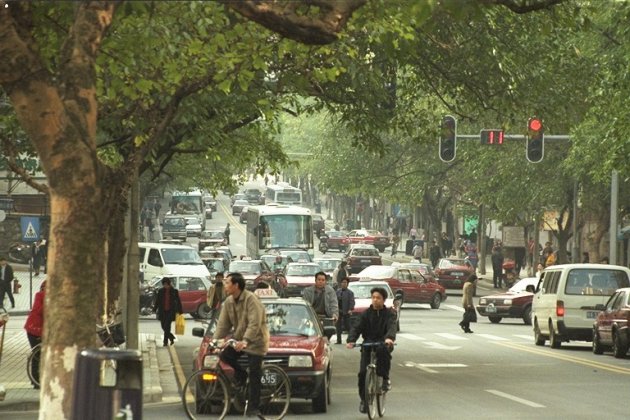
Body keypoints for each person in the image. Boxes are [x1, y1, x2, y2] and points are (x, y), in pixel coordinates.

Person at [214, 273, 269, 417]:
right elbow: (223, 324)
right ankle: (241, 374)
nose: (225, 286)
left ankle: (254, 407)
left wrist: (245, 340)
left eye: (227, 283)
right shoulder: (229, 302)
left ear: (236, 285)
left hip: (256, 341)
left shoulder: (251, 299)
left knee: (255, 372)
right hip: (239, 339)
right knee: (225, 355)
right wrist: (214, 340)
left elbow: (254, 323)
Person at [346, 287, 396, 414]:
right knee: (362, 373)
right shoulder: (366, 314)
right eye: (373, 297)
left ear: (383, 300)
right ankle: (364, 400)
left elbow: (391, 326)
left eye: (378, 298)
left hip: (383, 342)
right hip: (368, 343)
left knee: (383, 352)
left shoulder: (389, 313)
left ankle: (385, 379)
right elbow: (357, 327)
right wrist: (351, 340)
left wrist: (389, 338)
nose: (375, 300)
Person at [24, 281, 45, 388]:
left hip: (42, 330)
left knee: (40, 354)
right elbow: (38, 310)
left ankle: (37, 380)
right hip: (34, 329)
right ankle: (36, 382)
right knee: (37, 355)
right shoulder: (39, 295)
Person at [153, 277, 183, 347]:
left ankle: (165, 342)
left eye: (167, 284)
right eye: (164, 284)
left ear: (169, 284)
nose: (165, 286)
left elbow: (178, 301)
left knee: (167, 326)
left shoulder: (174, 291)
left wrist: (180, 311)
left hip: (171, 311)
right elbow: (157, 301)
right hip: (163, 311)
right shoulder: (161, 291)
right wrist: (154, 309)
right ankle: (171, 337)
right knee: (163, 326)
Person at [335, 278, 355, 344]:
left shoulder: (350, 293)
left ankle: (350, 339)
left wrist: (350, 309)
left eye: (345, 282)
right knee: (338, 326)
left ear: (347, 284)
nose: (344, 284)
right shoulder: (337, 291)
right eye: (343, 282)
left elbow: (352, 302)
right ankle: (338, 340)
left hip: (346, 311)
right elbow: (334, 301)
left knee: (348, 326)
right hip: (339, 311)